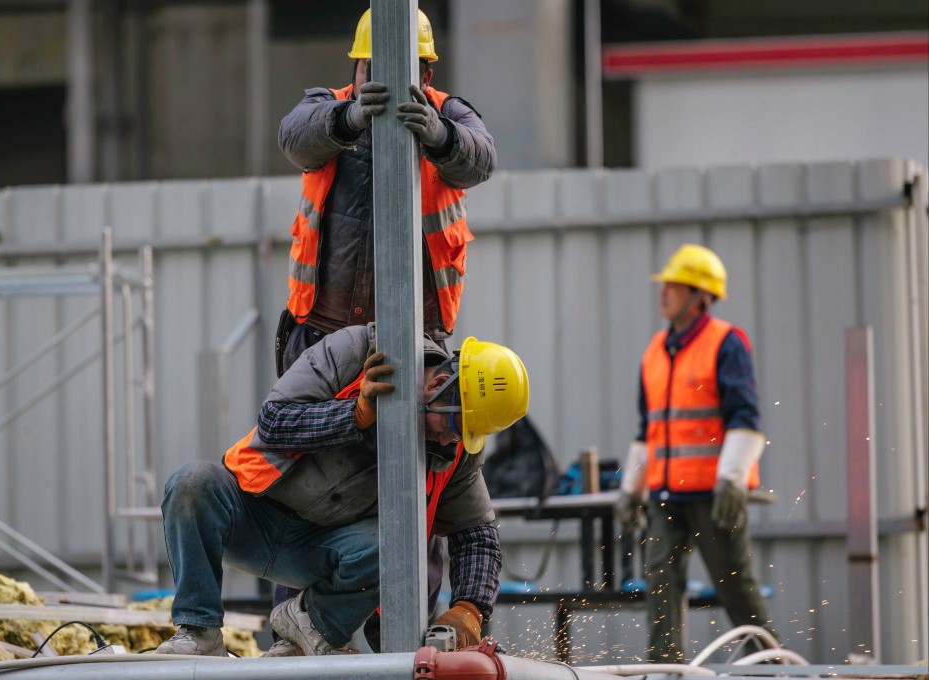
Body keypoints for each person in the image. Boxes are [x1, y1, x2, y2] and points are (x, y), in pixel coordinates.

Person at [266, 6, 496, 655]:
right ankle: (298, 632)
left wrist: (441, 137)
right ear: (360, 65)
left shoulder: (453, 114)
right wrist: (350, 118)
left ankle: (404, 639)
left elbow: (480, 158)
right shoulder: (329, 108)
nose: (394, 80)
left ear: (427, 68)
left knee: (414, 495)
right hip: (323, 343)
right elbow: (296, 135)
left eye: (412, 69)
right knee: (303, 490)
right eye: (375, 68)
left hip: (416, 350)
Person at [155, 324, 529, 657]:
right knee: (193, 483)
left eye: (464, 433)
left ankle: (310, 627)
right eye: (453, 422)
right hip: (254, 517)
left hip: (326, 553)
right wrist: (354, 414)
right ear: (437, 384)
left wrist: (470, 608)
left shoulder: (454, 448)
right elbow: (274, 422)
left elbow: (477, 533)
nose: (450, 437)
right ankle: (199, 629)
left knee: (399, 544)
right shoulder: (351, 351)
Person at [615, 244, 778, 662]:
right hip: (667, 495)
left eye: (676, 285)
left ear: (701, 295)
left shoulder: (726, 344)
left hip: (712, 495)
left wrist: (731, 480)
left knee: (735, 588)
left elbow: (745, 418)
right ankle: (664, 670)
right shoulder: (655, 350)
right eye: (666, 284)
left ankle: (779, 670)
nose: (664, 292)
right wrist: (631, 489)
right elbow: (647, 430)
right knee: (660, 585)